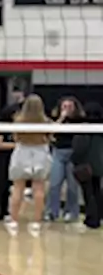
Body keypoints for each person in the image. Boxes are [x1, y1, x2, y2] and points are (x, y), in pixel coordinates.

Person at [8, 95, 53, 234]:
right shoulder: (46, 122)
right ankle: (36, 222)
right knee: (38, 189)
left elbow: (15, 137)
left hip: (22, 153)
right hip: (39, 153)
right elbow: (50, 138)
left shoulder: (18, 121)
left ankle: (14, 221)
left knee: (18, 189)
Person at [47, 96, 85, 223]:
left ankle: (71, 212)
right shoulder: (55, 119)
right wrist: (61, 118)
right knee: (54, 184)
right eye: (64, 106)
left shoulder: (80, 120)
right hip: (58, 152)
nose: (67, 109)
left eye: (70, 106)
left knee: (72, 186)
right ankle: (52, 212)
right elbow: (50, 133)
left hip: (73, 154)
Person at [72, 102, 103, 230]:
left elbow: (79, 147)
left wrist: (73, 159)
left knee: (88, 192)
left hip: (86, 164)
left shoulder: (85, 128)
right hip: (100, 164)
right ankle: (99, 216)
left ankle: (92, 219)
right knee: (97, 190)